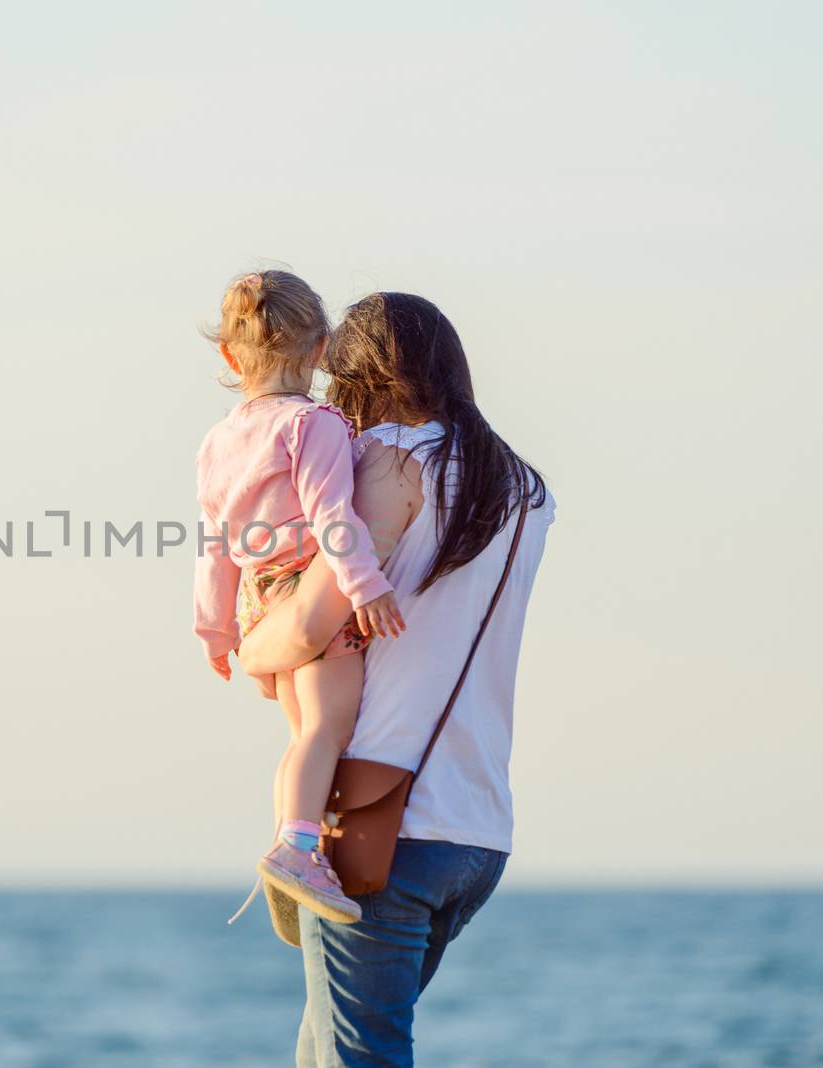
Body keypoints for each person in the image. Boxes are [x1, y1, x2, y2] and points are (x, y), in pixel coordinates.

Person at [236, 292, 556, 1067]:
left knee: (356, 1057)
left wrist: (248, 646)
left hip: (388, 823)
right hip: (476, 834)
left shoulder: (387, 457)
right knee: (326, 1050)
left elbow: (311, 624)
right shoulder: (522, 487)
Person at [194, 270, 406, 925]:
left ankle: (293, 842)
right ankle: (299, 848)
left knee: (301, 735)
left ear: (231, 355)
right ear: (320, 352)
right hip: (309, 586)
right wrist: (365, 584)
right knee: (326, 728)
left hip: (260, 602)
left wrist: (217, 630)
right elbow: (332, 514)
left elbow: (216, 545)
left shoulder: (220, 439)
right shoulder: (313, 424)